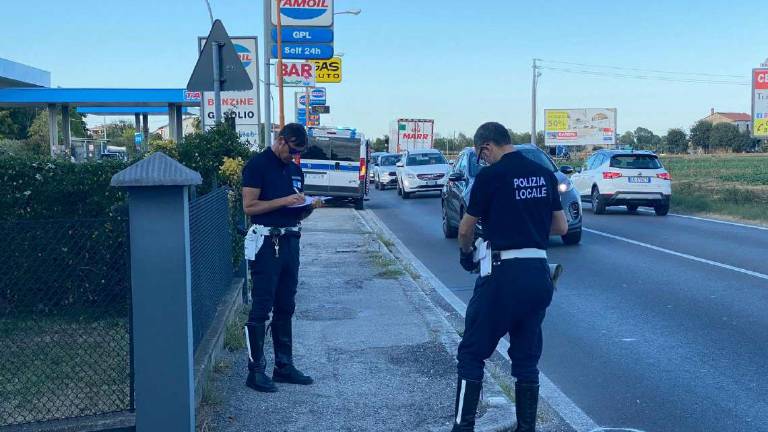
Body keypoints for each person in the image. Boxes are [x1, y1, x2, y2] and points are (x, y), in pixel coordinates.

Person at [451, 122, 568, 431]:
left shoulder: (490, 177)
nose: (482, 161)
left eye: (480, 156)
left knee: (472, 353)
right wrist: (528, 223)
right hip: (538, 275)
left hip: (503, 276)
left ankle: (463, 428)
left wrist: (466, 254)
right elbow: (561, 228)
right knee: (526, 360)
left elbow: (464, 228)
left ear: (486, 147)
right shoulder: (544, 175)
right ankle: (526, 428)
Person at [241, 123, 320, 393]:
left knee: (286, 305)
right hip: (265, 242)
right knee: (262, 305)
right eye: (292, 151)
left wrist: (307, 206)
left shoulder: (295, 171)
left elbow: (296, 210)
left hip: (290, 241)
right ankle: (256, 371)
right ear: (281, 140)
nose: (294, 157)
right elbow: (250, 206)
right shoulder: (257, 165)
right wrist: (285, 201)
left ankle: (283, 366)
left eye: (299, 153)